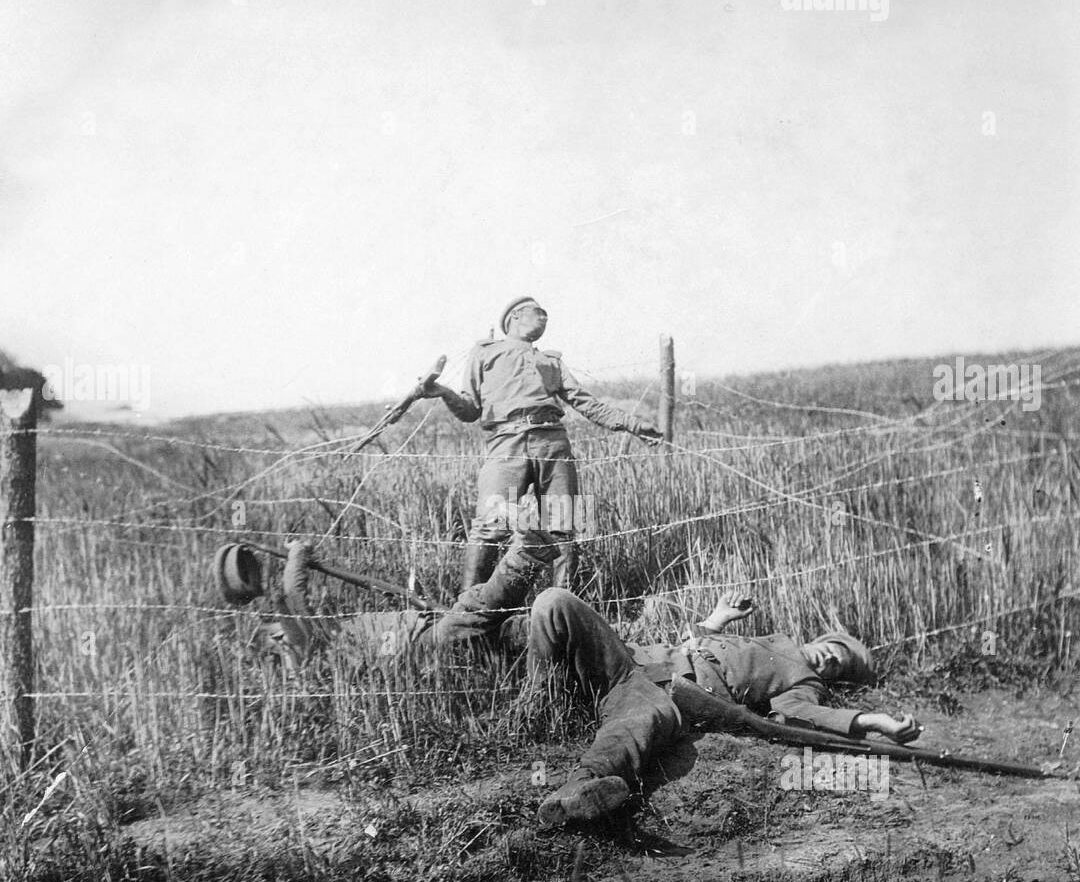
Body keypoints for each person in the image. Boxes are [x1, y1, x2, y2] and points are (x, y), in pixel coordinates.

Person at [229, 539, 921, 831]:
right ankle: (535, 700)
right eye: (831, 648)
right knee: (554, 601)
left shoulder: (796, 685)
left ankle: (590, 788)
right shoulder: (763, 637)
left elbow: (809, 723)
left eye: (838, 665)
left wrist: (872, 724)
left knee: (638, 726)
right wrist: (710, 622)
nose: (827, 660)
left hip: (665, 695)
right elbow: (689, 639)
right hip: (629, 658)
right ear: (819, 633)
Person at [421, 297, 665, 590]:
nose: (545, 320)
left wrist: (635, 424)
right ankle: (469, 615)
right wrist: (444, 392)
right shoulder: (485, 353)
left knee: (562, 528)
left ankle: (561, 610)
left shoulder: (551, 361)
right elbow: (469, 410)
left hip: (553, 445)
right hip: (505, 445)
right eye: (540, 314)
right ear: (515, 317)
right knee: (490, 525)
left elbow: (586, 404)